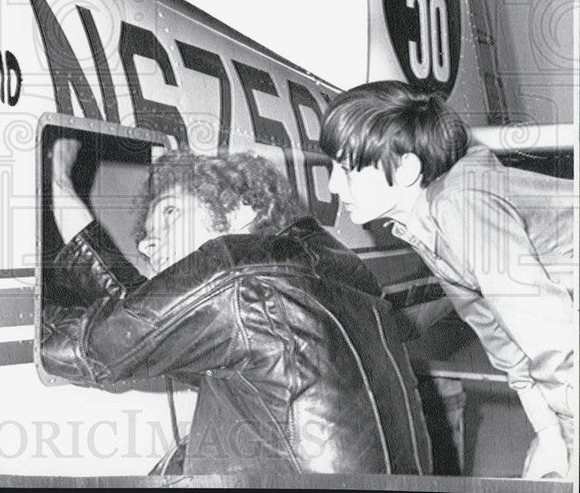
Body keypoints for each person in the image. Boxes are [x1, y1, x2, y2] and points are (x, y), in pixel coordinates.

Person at [41, 139, 432, 475]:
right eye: (145, 234)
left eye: (171, 212)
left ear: (240, 210)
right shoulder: (320, 270)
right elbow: (140, 316)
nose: (146, 244)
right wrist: (61, 186)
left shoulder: (239, 274)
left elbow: (89, 348)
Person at [318, 80, 576, 479]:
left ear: (406, 169)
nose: (334, 185)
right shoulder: (422, 220)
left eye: (348, 169)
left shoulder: (459, 204)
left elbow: (552, 340)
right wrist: (549, 433)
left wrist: (568, 438)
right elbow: (494, 328)